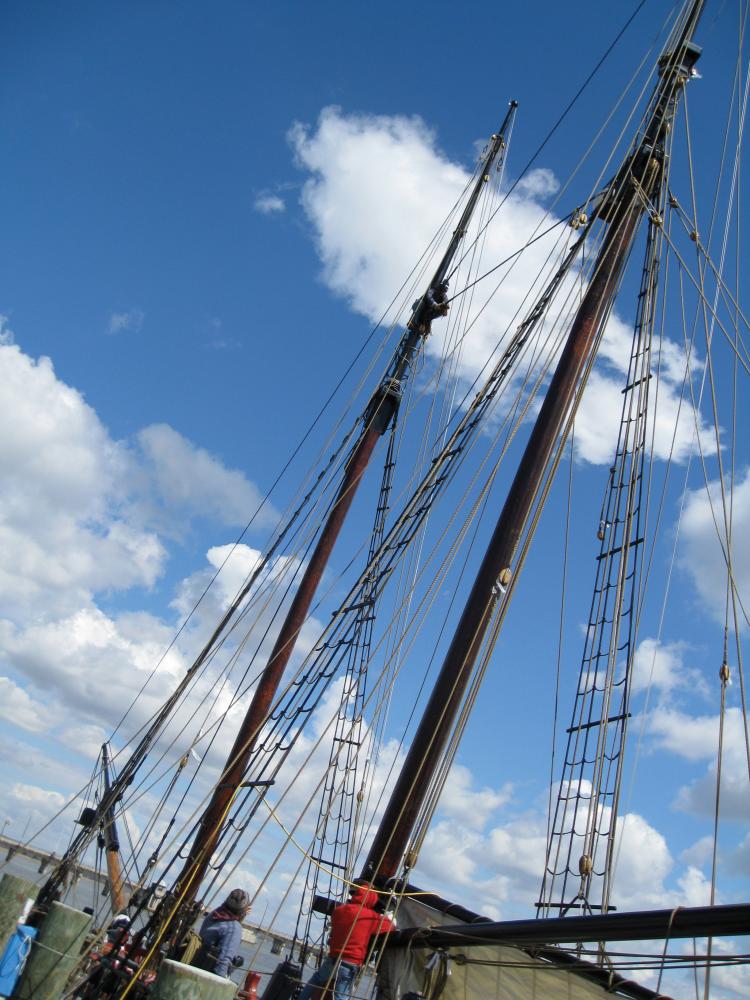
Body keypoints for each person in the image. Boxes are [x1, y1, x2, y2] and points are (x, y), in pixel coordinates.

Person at [299, 885, 395, 1000]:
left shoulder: (338, 911)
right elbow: (390, 926)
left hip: (333, 959)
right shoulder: (370, 917)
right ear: (371, 900)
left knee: (316, 979)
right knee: (340, 996)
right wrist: (388, 918)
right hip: (349, 964)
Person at [193, 888, 249, 978]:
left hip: (195, 966)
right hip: (206, 976)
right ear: (242, 910)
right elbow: (223, 962)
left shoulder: (213, 915)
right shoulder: (234, 927)